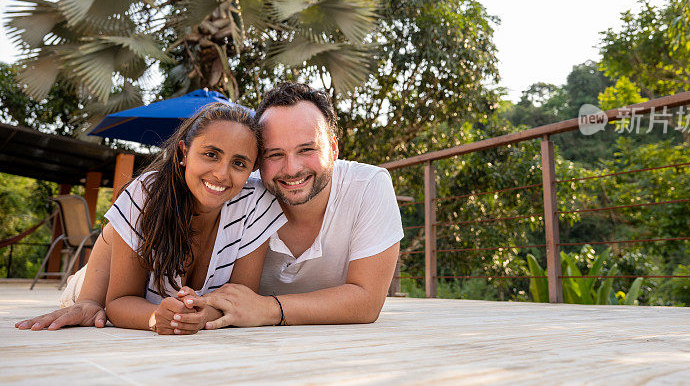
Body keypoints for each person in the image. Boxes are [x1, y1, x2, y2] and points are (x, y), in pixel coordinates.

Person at [15, 83, 402, 330]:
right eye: (274, 154)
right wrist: (91, 296)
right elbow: (126, 221)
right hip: (113, 285)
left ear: (334, 148)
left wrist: (258, 311)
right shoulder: (230, 186)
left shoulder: (362, 188)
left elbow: (366, 300)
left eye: (307, 150)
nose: (291, 169)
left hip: (186, 304)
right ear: (259, 162)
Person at [15, 103, 285, 334]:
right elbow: (119, 302)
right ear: (182, 153)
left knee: (125, 227)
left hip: (147, 272)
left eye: (239, 163)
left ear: (253, 168)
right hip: (102, 280)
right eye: (211, 154)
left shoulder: (255, 202)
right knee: (93, 295)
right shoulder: (146, 193)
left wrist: (204, 315)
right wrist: (155, 316)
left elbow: (239, 300)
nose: (222, 174)